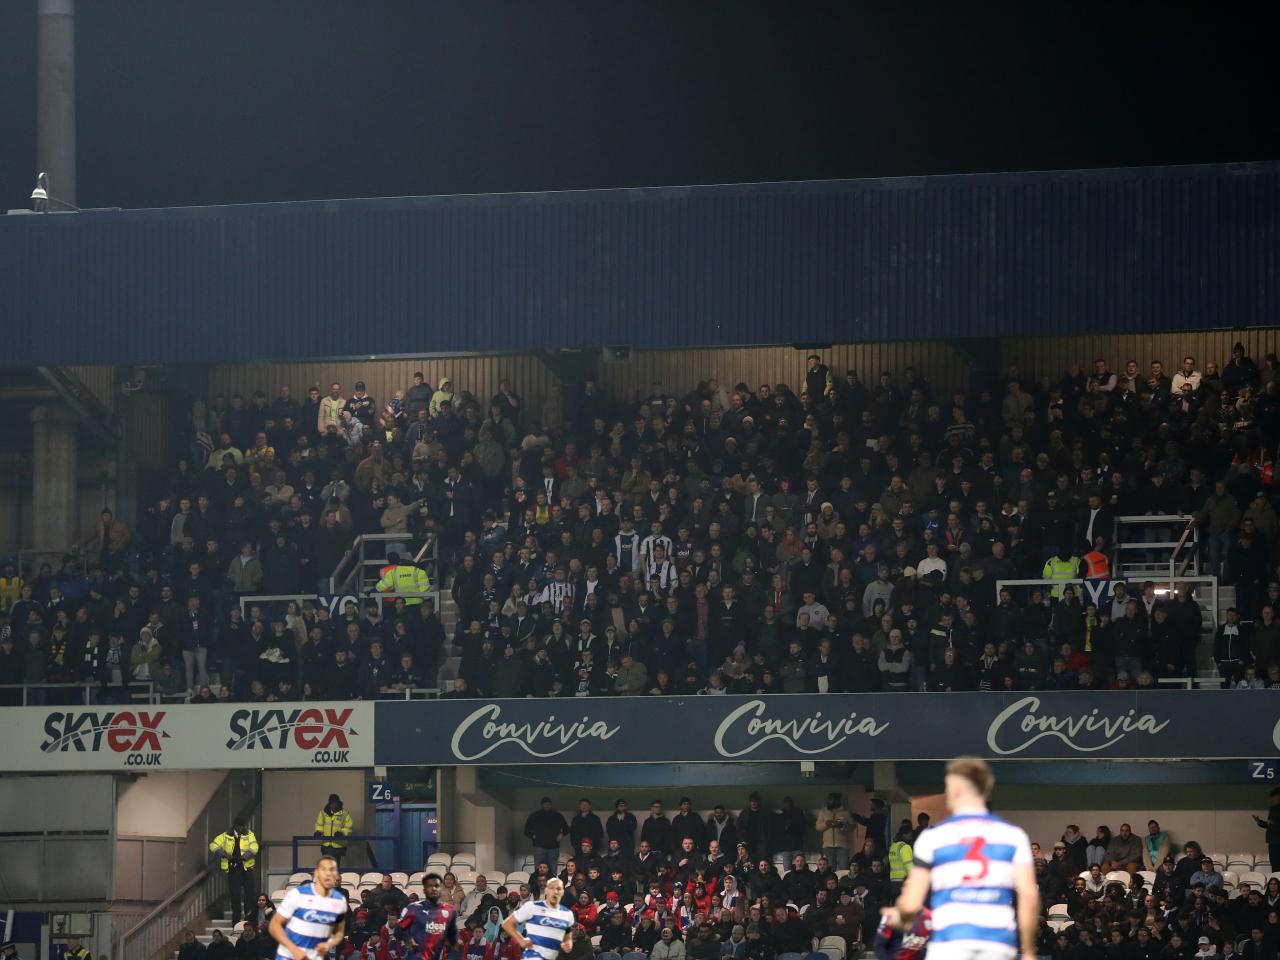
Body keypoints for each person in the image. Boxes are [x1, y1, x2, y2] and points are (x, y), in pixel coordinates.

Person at [881, 756, 1039, 960]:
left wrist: (898, 918)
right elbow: (1028, 895)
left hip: (949, 944)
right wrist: (1028, 951)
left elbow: (912, 902)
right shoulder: (1013, 836)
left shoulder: (933, 838)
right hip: (997, 944)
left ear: (956, 789)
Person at [269, 857, 347, 960]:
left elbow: (339, 932)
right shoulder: (298, 894)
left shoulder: (339, 901)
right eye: (324, 869)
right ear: (316, 873)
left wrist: (328, 944)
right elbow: (274, 925)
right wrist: (294, 950)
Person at [501, 876, 575, 960]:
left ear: (562, 892)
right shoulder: (532, 907)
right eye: (551, 888)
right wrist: (521, 940)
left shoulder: (567, 914)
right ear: (546, 890)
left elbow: (568, 937)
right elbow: (507, 924)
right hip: (533, 956)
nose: (555, 891)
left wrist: (568, 944)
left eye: (558, 889)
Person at [209, 817, 260, 926]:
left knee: (249, 895)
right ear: (235, 826)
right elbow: (213, 845)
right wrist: (223, 853)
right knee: (235, 896)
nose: (241, 828)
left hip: (246, 867)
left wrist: (246, 856)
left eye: (243, 826)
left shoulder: (249, 835)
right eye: (239, 826)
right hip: (233, 868)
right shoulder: (225, 836)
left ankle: (248, 920)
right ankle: (236, 922)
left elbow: (255, 847)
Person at [397, 872, 459, 960]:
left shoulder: (449, 911)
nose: (433, 889)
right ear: (424, 890)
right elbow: (399, 931)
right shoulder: (413, 909)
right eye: (430, 886)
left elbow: (452, 936)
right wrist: (408, 939)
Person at [525, 798, 570, 874]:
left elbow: (567, 829)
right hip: (539, 846)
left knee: (552, 869)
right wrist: (533, 836)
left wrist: (561, 834)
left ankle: (552, 885)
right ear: (542, 805)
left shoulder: (557, 816)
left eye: (548, 804)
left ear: (551, 805)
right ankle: (538, 885)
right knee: (539, 869)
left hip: (553, 847)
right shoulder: (534, 816)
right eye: (545, 804)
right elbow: (526, 831)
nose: (547, 805)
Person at [314, 794, 354, 866]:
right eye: (332, 803)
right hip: (326, 844)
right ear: (329, 804)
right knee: (326, 864)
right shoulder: (323, 813)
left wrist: (342, 833)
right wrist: (318, 832)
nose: (334, 805)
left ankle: (334, 876)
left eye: (335, 803)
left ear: (338, 803)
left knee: (335, 865)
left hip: (338, 845)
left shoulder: (344, 814)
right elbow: (319, 824)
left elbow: (348, 827)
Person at [1253, 787, 1280, 870]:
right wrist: (1259, 822)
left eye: (1273, 797)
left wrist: (1272, 824)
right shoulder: (1273, 809)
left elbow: (1272, 824)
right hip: (1272, 840)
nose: (1272, 800)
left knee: (1276, 864)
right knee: (1274, 863)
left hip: (1277, 840)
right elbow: (1269, 825)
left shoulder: (1275, 809)